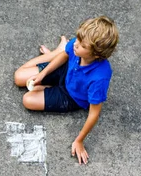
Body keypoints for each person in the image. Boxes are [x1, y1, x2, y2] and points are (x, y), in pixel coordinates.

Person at [14, 16, 119, 164]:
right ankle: (54, 52)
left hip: (71, 97)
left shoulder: (99, 78)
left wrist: (79, 140)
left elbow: (94, 113)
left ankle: (51, 67)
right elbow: (65, 55)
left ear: (96, 55)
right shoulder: (77, 45)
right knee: (19, 77)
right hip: (65, 71)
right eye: (77, 39)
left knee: (28, 100)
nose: (75, 44)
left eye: (82, 45)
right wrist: (42, 74)